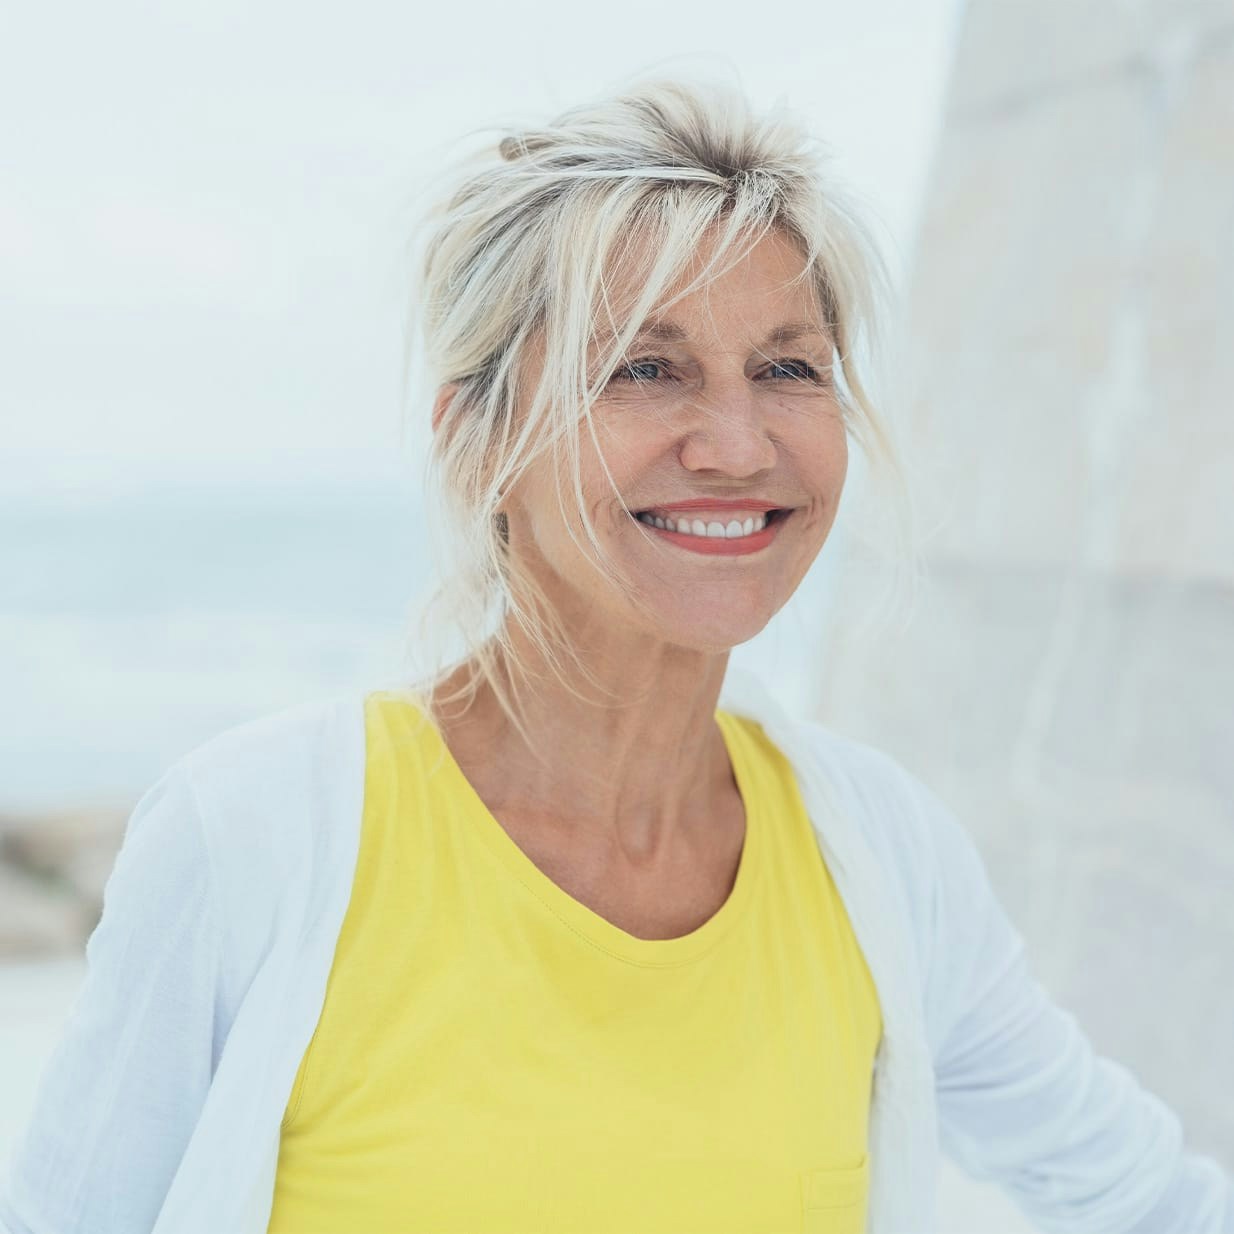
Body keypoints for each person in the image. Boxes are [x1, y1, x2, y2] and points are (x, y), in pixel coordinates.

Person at [1, 78, 1230, 1234]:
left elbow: (1141, 1192)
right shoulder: (256, 833)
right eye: (648, 367)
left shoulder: (881, 856)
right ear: (477, 440)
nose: (737, 444)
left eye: (787, 369)